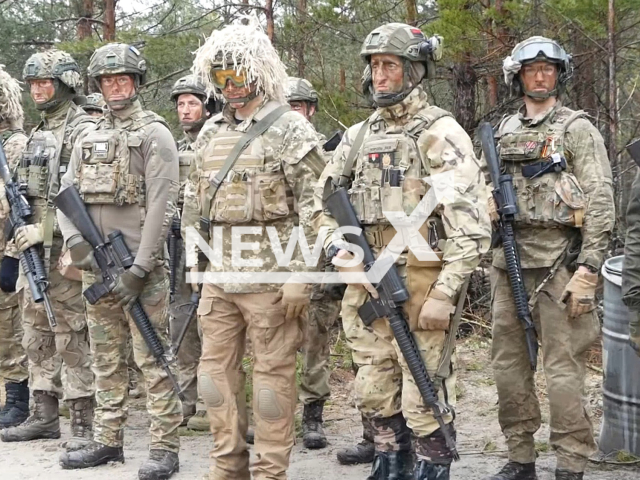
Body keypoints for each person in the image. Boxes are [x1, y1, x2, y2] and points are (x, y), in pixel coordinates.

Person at [314, 23, 491, 480]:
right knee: (372, 380)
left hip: (420, 276)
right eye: (374, 67)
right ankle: (389, 456)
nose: (380, 76)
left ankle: (433, 463)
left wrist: (445, 292)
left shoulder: (440, 133)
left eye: (390, 66)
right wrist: (340, 251)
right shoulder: (356, 138)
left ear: (415, 70)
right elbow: (318, 205)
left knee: (423, 380)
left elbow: (470, 226)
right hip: (364, 277)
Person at [184, 15, 325, 480]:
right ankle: (227, 466)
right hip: (219, 279)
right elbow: (194, 206)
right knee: (213, 378)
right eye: (221, 73)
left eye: (238, 71)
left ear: (259, 71)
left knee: (271, 381)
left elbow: (317, 209)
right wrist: (195, 267)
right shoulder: (208, 134)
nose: (231, 82)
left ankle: (269, 471)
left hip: (273, 280)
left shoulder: (290, 130)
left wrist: (302, 275)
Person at [486, 37, 614, 480]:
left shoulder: (577, 128)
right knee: (508, 368)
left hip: (561, 264)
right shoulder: (502, 132)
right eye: (531, 69)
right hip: (509, 264)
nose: (540, 76)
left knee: (563, 371)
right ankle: (520, 457)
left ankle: (570, 463)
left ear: (560, 74)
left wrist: (589, 269)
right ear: (517, 76)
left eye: (548, 68)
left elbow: (599, 201)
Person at [57, 43, 181, 480]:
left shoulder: (155, 133)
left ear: (137, 82)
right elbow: (65, 195)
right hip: (97, 266)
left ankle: (165, 447)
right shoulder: (86, 136)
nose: (115, 86)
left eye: (123, 79)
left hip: (138, 271)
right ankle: (109, 441)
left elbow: (164, 205)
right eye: (108, 80)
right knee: (106, 360)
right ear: (97, 85)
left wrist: (140, 268)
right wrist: (76, 244)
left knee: (152, 358)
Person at [0, 50, 95, 450]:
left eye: (46, 83)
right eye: (34, 84)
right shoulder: (38, 134)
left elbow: (87, 194)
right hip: (31, 249)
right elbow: (22, 195)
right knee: (35, 332)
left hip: (67, 248)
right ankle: (43, 413)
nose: (39, 90)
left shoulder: (83, 130)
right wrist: (14, 244)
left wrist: (47, 230)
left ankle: (84, 423)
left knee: (71, 334)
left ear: (66, 83)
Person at [285, 76, 342, 450]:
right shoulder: (271, 148)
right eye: (288, 107)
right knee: (276, 339)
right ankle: (277, 413)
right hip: (281, 256)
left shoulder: (332, 154)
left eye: (300, 107)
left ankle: (313, 416)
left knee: (316, 340)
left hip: (320, 257)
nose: (295, 114)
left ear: (312, 109)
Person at [168, 74, 215, 430]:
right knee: (181, 323)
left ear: (207, 106)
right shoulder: (174, 148)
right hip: (177, 247)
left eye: (193, 103)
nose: (186, 110)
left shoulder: (218, 144)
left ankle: (210, 404)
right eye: (181, 104)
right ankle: (186, 399)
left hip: (211, 249)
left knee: (213, 328)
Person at [0, 65, 29, 429]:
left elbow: (24, 205)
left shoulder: (15, 145)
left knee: (10, 329)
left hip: (6, 248)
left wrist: (10, 255)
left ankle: (18, 400)